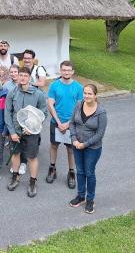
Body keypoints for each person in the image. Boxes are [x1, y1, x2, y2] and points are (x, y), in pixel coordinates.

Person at [5, 67, 48, 196]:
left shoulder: (38, 94)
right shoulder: (12, 93)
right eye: (20, 75)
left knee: (32, 157)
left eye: (25, 75)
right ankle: (15, 176)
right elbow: (7, 112)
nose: (22, 78)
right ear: (17, 77)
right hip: (15, 131)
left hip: (31, 133)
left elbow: (43, 113)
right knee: (16, 154)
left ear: (30, 78)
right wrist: (12, 132)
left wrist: (31, 128)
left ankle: (33, 181)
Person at [69, 84, 107, 214]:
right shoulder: (79, 105)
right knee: (80, 171)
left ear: (95, 95)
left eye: (90, 93)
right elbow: (72, 123)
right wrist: (74, 139)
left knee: (89, 173)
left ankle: (90, 199)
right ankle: (80, 196)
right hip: (76, 144)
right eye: (85, 93)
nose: (86, 96)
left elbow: (100, 134)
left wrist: (84, 144)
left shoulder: (101, 112)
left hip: (92, 148)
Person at [46, 60, 83, 188]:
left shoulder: (78, 87)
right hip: (55, 122)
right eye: (64, 70)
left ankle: (71, 172)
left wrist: (68, 124)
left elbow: (79, 108)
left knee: (70, 149)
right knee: (54, 146)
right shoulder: (54, 86)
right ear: (60, 71)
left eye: (69, 70)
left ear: (72, 71)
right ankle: (52, 168)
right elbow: (50, 104)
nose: (66, 72)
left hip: (71, 125)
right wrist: (58, 122)